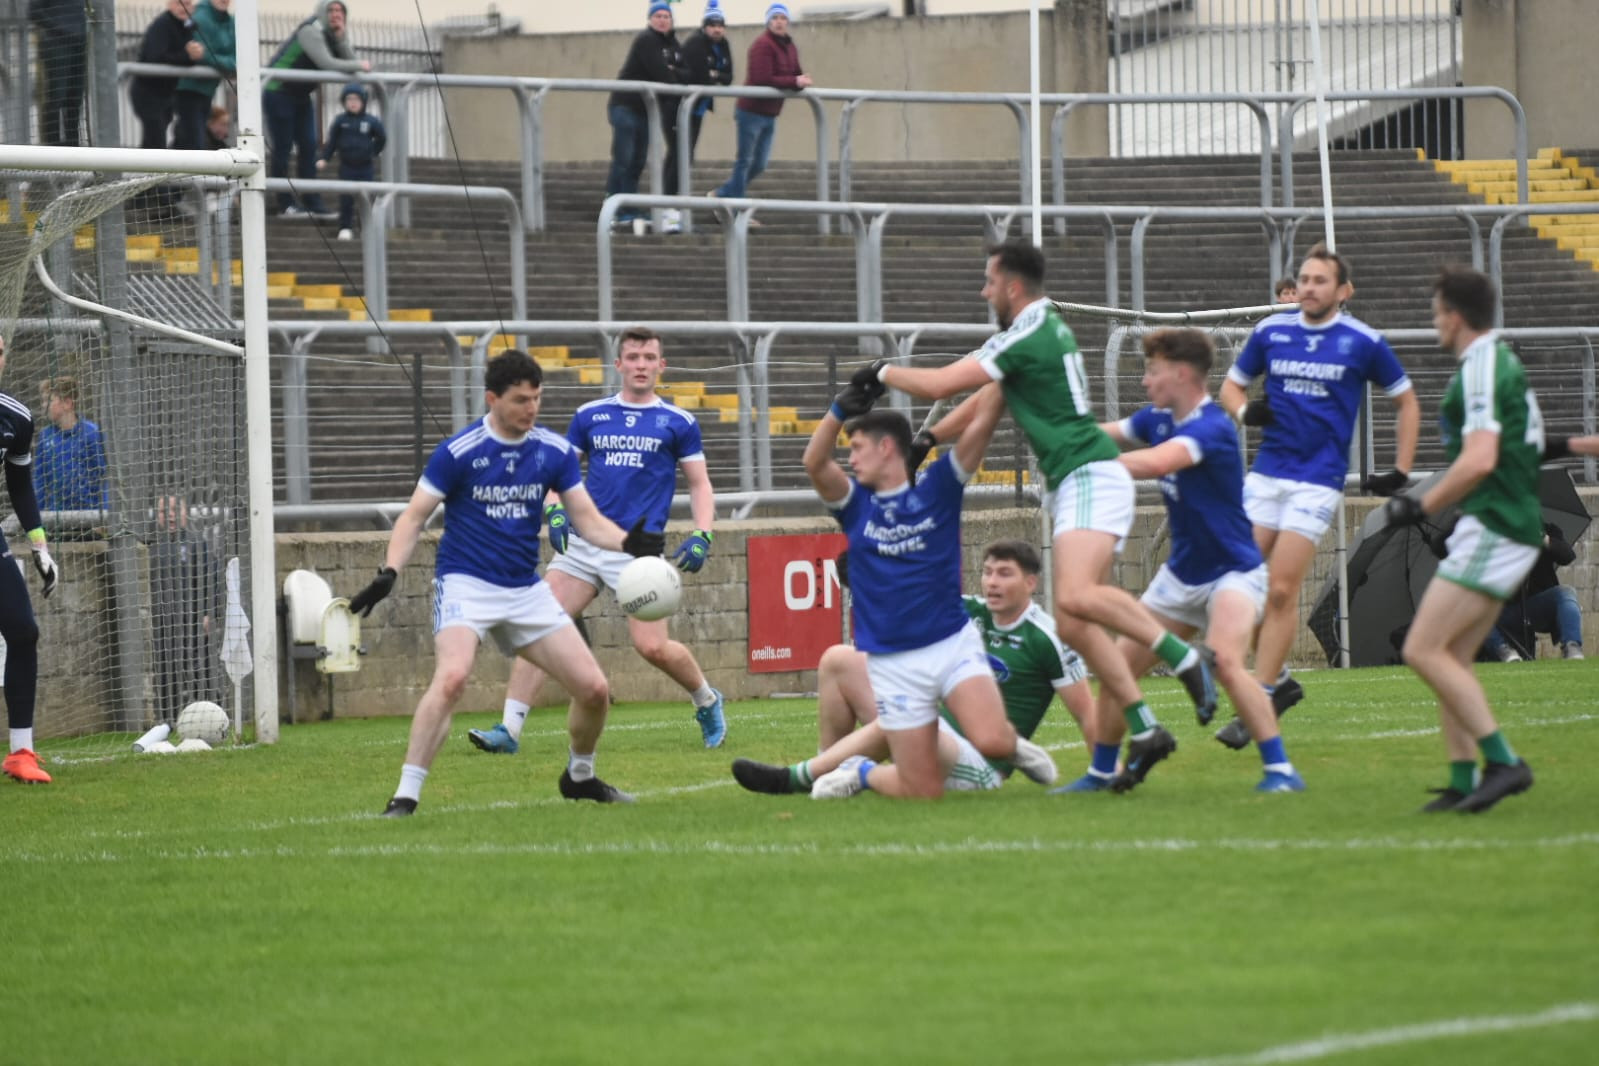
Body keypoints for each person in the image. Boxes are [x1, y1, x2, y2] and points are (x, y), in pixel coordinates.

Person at [873, 239, 1217, 793]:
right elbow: (989, 396)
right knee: (1076, 624)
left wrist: (882, 370)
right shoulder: (1028, 333)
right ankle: (1142, 729)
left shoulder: (1029, 331)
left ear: (1011, 286)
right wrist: (930, 438)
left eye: (989, 282)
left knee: (1077, 601)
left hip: (1088, 474)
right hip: (1075, 480)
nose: (984, 292)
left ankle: (1184, 658)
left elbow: (939, 383)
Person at [350, 351, 664, 816]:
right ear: (492, 399)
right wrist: (389, 571)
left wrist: (628, 542)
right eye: (520, 400)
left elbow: (587, 520)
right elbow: (414, 517)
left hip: (525, 591)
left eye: (537, 398)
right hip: (465, 585)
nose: (531, 409)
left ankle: (580, 777)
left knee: (594, 690)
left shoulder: (552, 452)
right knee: (453, 677)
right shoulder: (459, 452)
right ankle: (405, 796)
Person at [465, 328, 726, 755]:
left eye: (649, 357)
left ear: (661, 366)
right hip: (583, 546)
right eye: (633, 357)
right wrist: (553, 510)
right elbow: (557, 474)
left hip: (637, 550)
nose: (641, 364)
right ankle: (509, 730)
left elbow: (700, 484)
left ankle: (707, 699)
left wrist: (702, 535)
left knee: (652, 647)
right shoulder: (590, 415)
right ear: (618, 365)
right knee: (539, 625)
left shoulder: (678, 421)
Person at [796, 380, 1058, 800]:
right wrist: (837, 412)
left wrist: (1007, 368)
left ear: (886, 449)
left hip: (950, 643)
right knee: (922, 792)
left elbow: (984, 423)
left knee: (992, 740)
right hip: (895, 660)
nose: (851, 458)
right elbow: (814, 462)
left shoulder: (938, 488)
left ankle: (1011, 747)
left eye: (858, 447)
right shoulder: (855, 504)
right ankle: (860, 771)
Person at [1074, 328, 1303, 794]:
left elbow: (1158, 463)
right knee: (1117, 668)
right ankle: (1101, 772)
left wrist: (1088, 463)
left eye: (1152, 371)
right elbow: (1103, 435)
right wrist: (1059, 435)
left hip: (1233, 572)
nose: (1144, 382)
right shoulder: (1156, 418)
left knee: (1226, 663)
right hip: (1181, 576)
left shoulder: (1212, 427)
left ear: (1180, 374)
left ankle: (1281, 772)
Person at [1215, 243, 1419, 747]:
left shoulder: (1362, 341)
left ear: (1343, 291)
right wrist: (1245, 414)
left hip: (1316, 479)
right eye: (1303, 279)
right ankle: (1279, 681)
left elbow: (1407, 400)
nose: (1308, 287)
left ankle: (1261, 695)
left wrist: (1401, 469)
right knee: (1242, 579)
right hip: (1266, 475)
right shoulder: (1271, 331)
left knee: (1282, 589)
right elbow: (1229, 388)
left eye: (1320, 280)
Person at [731, 539, 1094, 798]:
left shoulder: (1048, 637)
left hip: (978, 765)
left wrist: (1103, 773)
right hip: (929, 732)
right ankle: (827, 769)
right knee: (838, 660)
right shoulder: (968, 611)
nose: (993, 582)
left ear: (1031, 582)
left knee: (910, 715)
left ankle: (815, 775)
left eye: (1005, 574)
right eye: (987, 573)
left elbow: (1085, 712)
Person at [1383, 267, 1541, 814]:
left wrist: (1419, 503)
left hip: (1496, 522)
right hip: (1503, 520)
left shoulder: (1481, 364)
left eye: (1436, 312)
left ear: (1452, 315)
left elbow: (1479, 460)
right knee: (1452, 655)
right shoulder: (1499, 361)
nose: (1435, 323)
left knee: (1422, 648)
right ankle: (1461, 778)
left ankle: (1502, 762)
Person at [0, 336, 60, 784]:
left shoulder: (16, 417)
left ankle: (21, 753)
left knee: (23, 631)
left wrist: (39, 546)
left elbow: (20, 486)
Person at [262, 0, 370, 217]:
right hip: (279, 91)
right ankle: (285, 203)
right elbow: (327, 63)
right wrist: (359, 65)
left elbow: (350, 62)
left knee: (309, 145)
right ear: (322, 12)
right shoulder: (310, 30)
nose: (336, 15)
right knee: (283, 148)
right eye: (331, 10)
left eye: (340, 11)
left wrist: (341, 38)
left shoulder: (331, 34)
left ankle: (312, 200)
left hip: (300, 95)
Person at [713, 3, 811, 204]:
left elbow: (795, 73)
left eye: (783, 18)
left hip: (770, 113)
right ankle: (736, 206)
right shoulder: (763, 44)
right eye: (775, 18)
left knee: (759, 164)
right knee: (745, 161)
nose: (779, 22)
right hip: (751, 111)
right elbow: (761, 78)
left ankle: (723, 195)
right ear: (768, 21)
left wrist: (801, 81)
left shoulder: (789, 46)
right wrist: (794, 82)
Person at [605, 2, 686, 233]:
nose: (662, 20)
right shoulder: (646, 40)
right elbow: (661, 74)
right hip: (626, 106)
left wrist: (674, 71)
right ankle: (614, 205)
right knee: (624, 158)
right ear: (650, 19)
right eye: (658, 16)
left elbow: (688, 72)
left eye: (666, 16)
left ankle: (628, 205)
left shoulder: (673, 44)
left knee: (638, 161)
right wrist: (673, 73)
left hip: (647, 111)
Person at [149, 494, 220, 722]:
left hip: (192, 622)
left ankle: (209, 714)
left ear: (183, 513)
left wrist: (209, 613)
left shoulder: (197, 544)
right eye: (163, 511)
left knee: (200, 669)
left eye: (173, 509)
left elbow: (212, 580)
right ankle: (167, 719)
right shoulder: (151, 545)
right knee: (165, 672)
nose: (169, 514)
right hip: (163, 623)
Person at [1480, 522, 1584, 661]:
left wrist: (1542, 538)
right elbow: (1441, 546)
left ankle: (1572, 646)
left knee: (1565, 592)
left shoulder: (1547, 529)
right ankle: (1503, 650)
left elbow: (1567, 555)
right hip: (1498, 612)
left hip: (1534, 607)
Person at [316, 82, 386, 241]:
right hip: (347, 166)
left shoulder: (371, 121)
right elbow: (331, 142)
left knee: (367, 199)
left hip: (365, 167)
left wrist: (373, 151)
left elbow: (382, 138)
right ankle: (345, 227)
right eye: (349, 99)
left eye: (356, 99)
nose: (353, 103)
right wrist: (324, 158)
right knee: (346, 198)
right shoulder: (340, 121)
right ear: (344, 102)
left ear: (363, 101)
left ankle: (366, 228)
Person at [129, 1, 201, 151]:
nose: (184, 8)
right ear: (170, 5)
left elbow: (184, 59)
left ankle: (148, 171)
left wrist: (192, 56)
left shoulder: (187, 26)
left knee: (153, 140)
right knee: (156, 140)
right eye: (179, 4)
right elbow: (155, 57)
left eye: (187, 4)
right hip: (147, 91)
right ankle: (151, 171)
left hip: (166, 93)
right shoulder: (162, 24)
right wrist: (187, 56)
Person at [34, 375, 107, 515]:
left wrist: (104, 513)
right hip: (56, 519)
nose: (44, 405)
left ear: (67, 403)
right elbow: (39, 481)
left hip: (91, 518)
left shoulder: (91, 433)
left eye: (48, 400)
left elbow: (103, 477)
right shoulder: (45, 436)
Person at [172, 0, 235, 152]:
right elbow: (202, 54)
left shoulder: (230, 21)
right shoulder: (200, 17)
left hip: (207, 89)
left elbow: (236, 55)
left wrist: (227, 62)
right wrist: (230, 63)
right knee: (193, 142)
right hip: (188, 88)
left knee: (191, 140)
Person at [679, 2, 734, 164]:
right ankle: (671, 189)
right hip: (683, 104)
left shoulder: (723, 44)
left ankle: (679, 188)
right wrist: (716, 75)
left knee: (688, 153)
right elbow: (702, 77)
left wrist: (714, 73)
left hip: (699, 106)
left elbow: (728, 78)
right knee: (680, 154)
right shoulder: (695, 42)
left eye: (720, 25)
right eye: (712, 25)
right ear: (704, 26)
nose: (717, 29)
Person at [28, 0, 88, 147]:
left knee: (75, 97)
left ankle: (73, 143)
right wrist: (61, 30)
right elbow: (33, 12)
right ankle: (52, 144)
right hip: (56, 44)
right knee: (56, 96)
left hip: (78, 44)